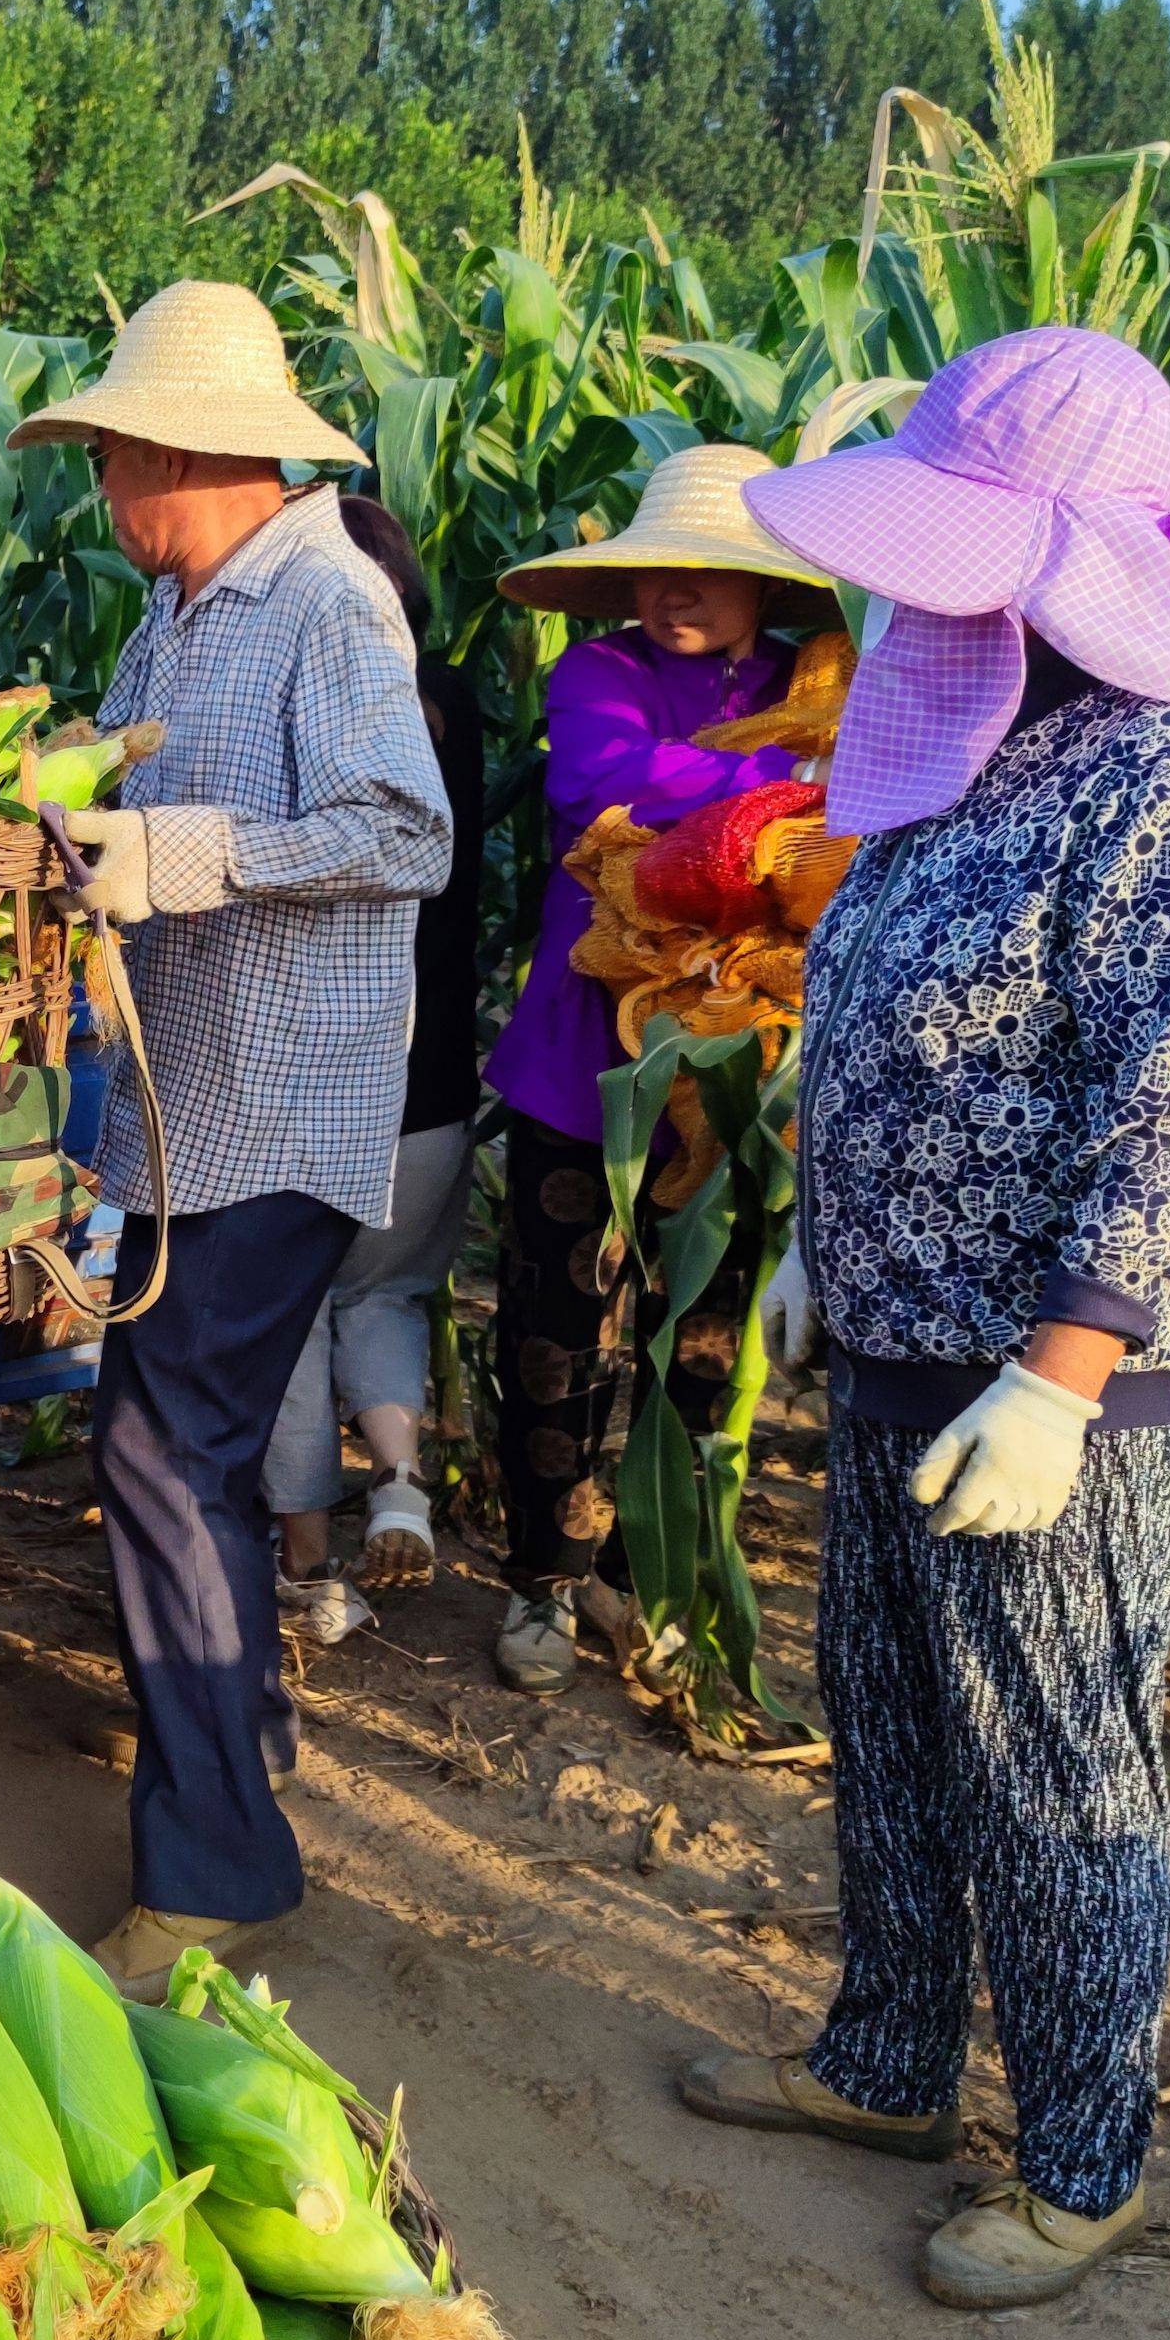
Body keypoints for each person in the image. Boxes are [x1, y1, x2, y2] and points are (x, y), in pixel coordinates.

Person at [679, 327, 1170, 2309]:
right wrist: (818, 1236)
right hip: (897, 1323)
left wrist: (1059, 1369)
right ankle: (880, 2058)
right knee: (882, 1711)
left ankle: (1078, 2156)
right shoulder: (966, 739)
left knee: (1046, 1758)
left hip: (1062, 1370)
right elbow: (878, 1010)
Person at [11, 284, 450, 1999]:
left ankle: (216, 1866)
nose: (102, 487)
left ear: (176, 450)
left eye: (111, 453)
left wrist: (176, 855)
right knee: (166, 1440)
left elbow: (399, 828)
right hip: (185, 1100)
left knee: (158, 1446)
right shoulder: (176, 615)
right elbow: (127, 781)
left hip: (282, 1096)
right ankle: (235, 1747)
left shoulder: (325, 595)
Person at [472, 444, 835, 1693]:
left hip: (736, 1063)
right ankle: (541, 1584)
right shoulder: (601, 671)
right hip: (587, 1058)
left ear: (763, 590)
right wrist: (777, 784)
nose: (675, 594)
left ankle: (647, 1576)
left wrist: (785, 792)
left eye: (707, 574)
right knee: (558, 1332)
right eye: (659, 572)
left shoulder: (812, 680)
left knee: (697, 1333)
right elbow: (598, 779)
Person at [261, 488, 483, 1639]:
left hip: (322, 1072)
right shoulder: (450, 705)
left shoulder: (316, 706)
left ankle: (307, 1566)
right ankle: (399, 1483)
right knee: (386, 1288)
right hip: (437, 1081)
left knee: (292, 1313)